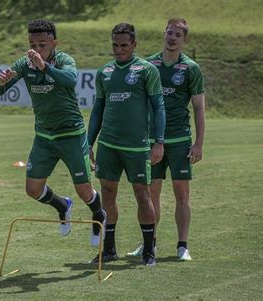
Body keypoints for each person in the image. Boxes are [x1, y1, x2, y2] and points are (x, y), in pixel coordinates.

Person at [0, 19, 106, 247]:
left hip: (71, 136)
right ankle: (62, 206)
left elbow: (71, 80)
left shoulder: (64, 60)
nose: (36, 49)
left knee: (85, 192)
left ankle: (98, 215)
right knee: (32, 190)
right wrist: (1, 82)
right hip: (44, 137)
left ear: (54, 43)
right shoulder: (25, 63)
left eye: (42, 44)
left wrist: (46, 67)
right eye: (32, 44)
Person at [87, 23, 165, 266]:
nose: (118, 50)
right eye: (115, 45)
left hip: (137, 146)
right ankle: (109, 250)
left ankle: (149, 251)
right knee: (108, 194)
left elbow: (159, 107)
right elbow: (98, 110)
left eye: (123, 45)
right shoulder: (104, 72)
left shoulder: (146, 70)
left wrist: (158, 142)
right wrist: (88, 143)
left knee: (143, 194)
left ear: (134, 45)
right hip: (109, 145)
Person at [127, 18, 205, 261]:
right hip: (152, 141)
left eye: (178, 35)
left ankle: (183, 247)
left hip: (180, 139)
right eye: (170, 33)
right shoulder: (149, 65)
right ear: (164, 34)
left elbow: (199, 108)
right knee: (151, 193)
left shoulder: (191, 68)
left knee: (182, 193)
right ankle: (149, 243)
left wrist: (199, 143)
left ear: (184, 40)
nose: (172, 38)